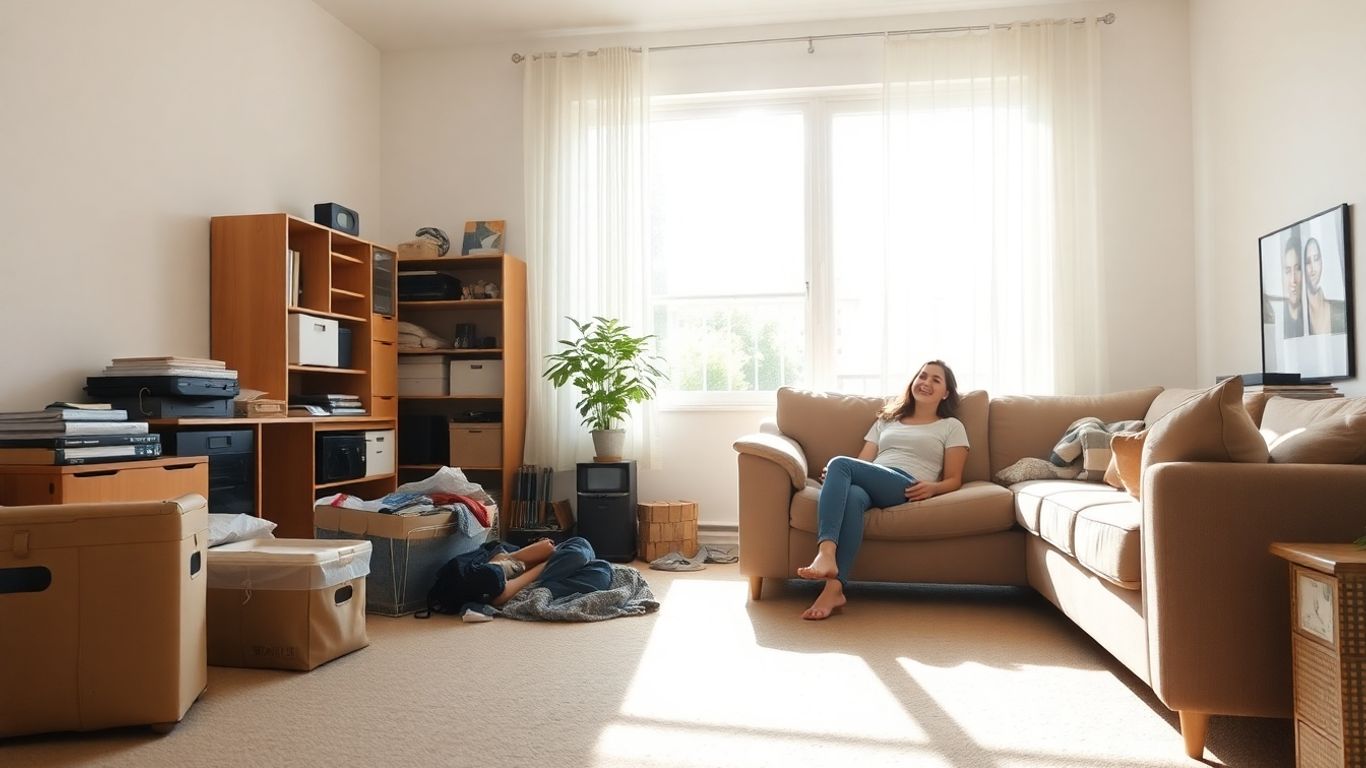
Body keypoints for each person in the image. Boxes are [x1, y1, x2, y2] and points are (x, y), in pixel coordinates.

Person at [795, 360, 969, 620]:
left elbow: (954, 478)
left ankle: (825, 553)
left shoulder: (951, 426)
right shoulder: (887, 420)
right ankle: (835, 588)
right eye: (922, 376)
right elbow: (863, 463)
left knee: (840, 463)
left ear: (945, 393)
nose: (926, 383)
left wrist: (933, 488)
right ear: (912, 383)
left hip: (906, 484)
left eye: (936, 379)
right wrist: (836, 478)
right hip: (873, 480)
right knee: (852, 493)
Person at [426, 536, 612, 614]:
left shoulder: (467, 566)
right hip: (528, 580)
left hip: (510, 562)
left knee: (581, 548)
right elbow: (501, 595)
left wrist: (518, 556)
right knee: (599, 570)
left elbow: (497, 551)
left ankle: (532, 569)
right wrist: (542, 563)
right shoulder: (488, 580)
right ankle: (537, 575)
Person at [1303, 236, 1347, 335]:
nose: (1313, 268)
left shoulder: (1340, 311)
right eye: (1308, 262)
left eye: (1316, 259)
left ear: (1321, 262)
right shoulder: (1301, 318)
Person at [1281, 231, 1305, 339]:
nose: (1293, 280)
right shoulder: (1281, 319)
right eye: (1288, 271)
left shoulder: (1308, 317)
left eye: (1297, 269)